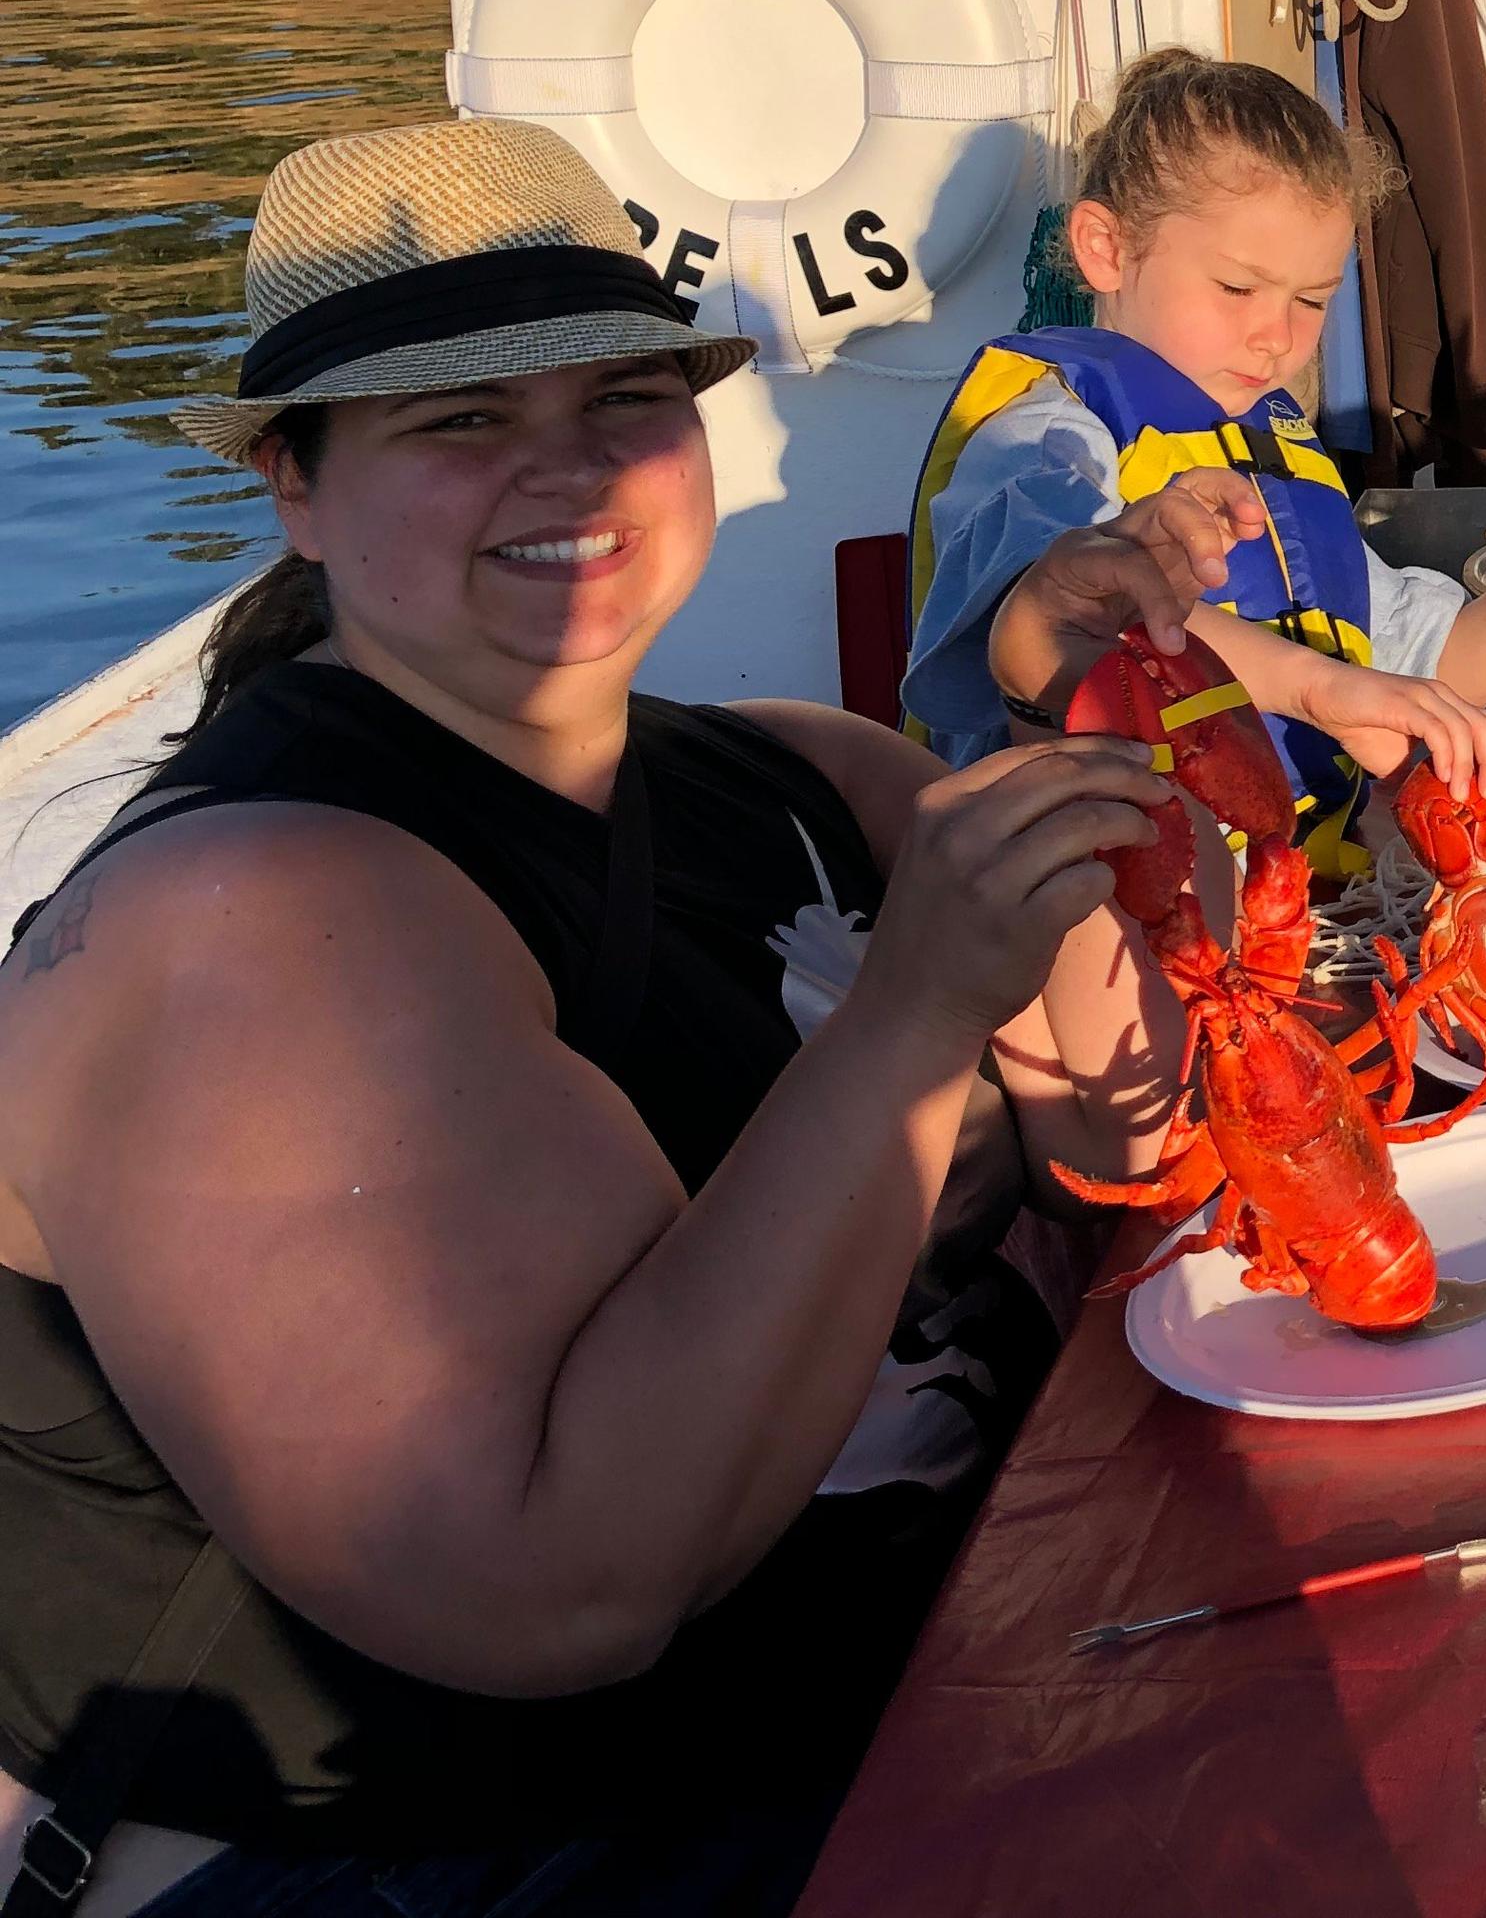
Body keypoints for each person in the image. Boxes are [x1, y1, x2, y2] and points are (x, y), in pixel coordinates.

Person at [0, 118, 1234, 1917]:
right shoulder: (234, 935)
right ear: (296, 483)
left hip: (915, 1650)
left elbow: (1127, 1140)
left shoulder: (793, 775)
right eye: (461, 422)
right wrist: (905, 1027)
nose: (565, 474)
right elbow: (557, 1594)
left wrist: (1119, 717)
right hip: (436, 1845)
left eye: (622, 404)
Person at [904, 47, 1486, 862]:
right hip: (1090, 917)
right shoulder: (1045, 442)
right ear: (1106, 248)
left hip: (1291, 909)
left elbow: (1430, 678)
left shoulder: (1276, 454)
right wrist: (1323, 689)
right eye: (1238, 289)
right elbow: (1068, 632)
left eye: (1311, 300)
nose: (1275, 336)